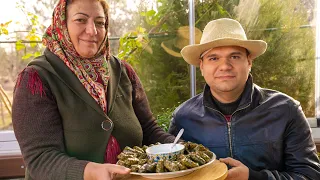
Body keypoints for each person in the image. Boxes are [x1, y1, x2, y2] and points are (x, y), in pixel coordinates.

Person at [11, 0, 177, 179]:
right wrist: (90, 171)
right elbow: (40, 160)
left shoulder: (123, 72)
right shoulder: (37, 78)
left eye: (100, 23)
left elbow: (149, 130)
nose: (92, 31)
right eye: (81, 20)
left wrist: (183, 148)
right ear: (62, 23)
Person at [168, 18, 320, 180]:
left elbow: (309, 176)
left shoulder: (286, 110)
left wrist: (254, 177)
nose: (225, 65)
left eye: (234, 56)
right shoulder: (183, 118)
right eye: (213, 58)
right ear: (202, 66)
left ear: (249, 62)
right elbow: (170, 173)